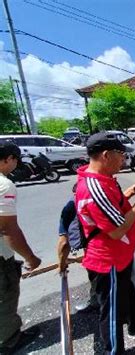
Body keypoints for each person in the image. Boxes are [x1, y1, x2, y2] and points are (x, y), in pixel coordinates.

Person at [75, 132, 135, 354]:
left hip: (120, 255)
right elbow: (117, 229)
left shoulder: (105, 180)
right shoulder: (95, 189)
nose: (124, 160)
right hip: (107, 259)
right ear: (106, 155)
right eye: (121, 155)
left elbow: (115, 206)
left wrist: (132, 192)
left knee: (128, 291)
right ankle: (114, 350)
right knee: (111, 310)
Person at [0, 142, 42, 354]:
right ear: (8, 159)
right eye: (14, 160)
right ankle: (9, 340)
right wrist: (30, 258)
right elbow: (8, 229)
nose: (15, 164)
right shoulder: (4, 185)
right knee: (5, 294)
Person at [57, 183, 98, 313]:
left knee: (98, 280)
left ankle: (98, 305)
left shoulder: (71, 206)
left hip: (95, 253)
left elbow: (64, 243)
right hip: (112, 248)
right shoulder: (100, 199)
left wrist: (61, 264)